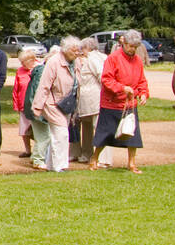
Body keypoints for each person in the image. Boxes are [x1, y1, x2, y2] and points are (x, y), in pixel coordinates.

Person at [92, 30, 150, 173]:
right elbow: (106, 79)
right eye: (130, 46)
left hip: (130, 104)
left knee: (132, 135)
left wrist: (143, 94)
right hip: (112, 103)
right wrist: (122, 88)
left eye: (135, 47)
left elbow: (142, 80)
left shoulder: (137, 60)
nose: (132, 50)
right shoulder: (113, 58)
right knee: (105, 133)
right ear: (123, 43)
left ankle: (131, 164)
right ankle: (94, 158)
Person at [32, 36, 79, 173]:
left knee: (58, 134)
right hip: (51, 103)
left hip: (66, 103)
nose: (76, 53)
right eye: (74, 51)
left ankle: (52, 165)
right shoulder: (54, 62)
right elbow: (44, 86)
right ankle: (60, 166)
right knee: (62, 133)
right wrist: (37, 106)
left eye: (78, 51)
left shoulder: (75, 63)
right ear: (65, 50)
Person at [73, 37, 105, 164]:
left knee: (97, 127)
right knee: (87, 128)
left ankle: (101, 158)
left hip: (94, 98)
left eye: (83, 48)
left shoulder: (94, 58)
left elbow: (102, 76)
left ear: (88, 48)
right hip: (86, 101)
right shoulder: (94, 58)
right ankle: (87, 154)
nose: (81, 51)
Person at [12, 46, 41, 159]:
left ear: (31, 60)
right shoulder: (20, 71)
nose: (22, 64)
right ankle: (28, 150)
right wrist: (16, 104)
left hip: (36, 105)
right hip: (23, 104)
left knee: (38, 129)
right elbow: (16, 88)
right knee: (24, 130)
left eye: (24, 62)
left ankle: (39, 150)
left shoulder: (39, 69)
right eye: (21, 62)